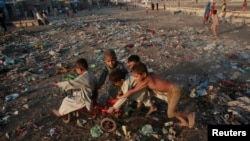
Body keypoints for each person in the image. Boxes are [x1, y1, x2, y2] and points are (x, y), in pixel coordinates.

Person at [118, 62, 195, 128]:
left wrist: (120, 97)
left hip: (175, 90)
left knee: (170, 113)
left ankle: (189, 115)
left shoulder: (146, 81)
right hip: (170, 91)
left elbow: (132, 91)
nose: (135, 78)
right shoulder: (149, 75)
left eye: (136, 76)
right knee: (173, 109)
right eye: (134, 76)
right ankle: (184, 122)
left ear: (144, 74)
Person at [52, 58, 97, 126]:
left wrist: (58, 84)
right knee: (75, 92)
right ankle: (75, 111)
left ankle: (60, 113)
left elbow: (71, 83)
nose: (76, 71)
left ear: (80, 69)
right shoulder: (90, 73)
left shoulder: (83, 78)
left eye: (77, 69)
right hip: (91, 93)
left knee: (67, 100)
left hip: (85, 98)